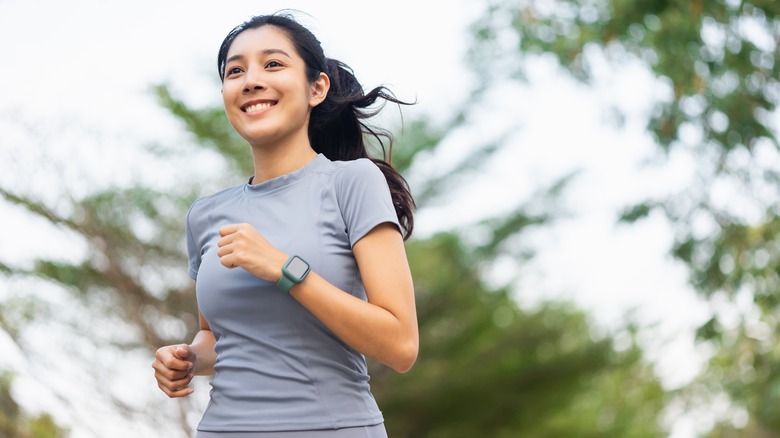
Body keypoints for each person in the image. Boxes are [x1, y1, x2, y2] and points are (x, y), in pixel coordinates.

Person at [151, 12, 419, 438]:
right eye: (235, 71)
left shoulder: (352, 183)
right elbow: (218, 338)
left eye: (272, 64)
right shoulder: (205, 215)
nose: (251, 80)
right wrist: (187, 358)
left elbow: (401, 346)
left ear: (317, 88)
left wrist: (284, 270)